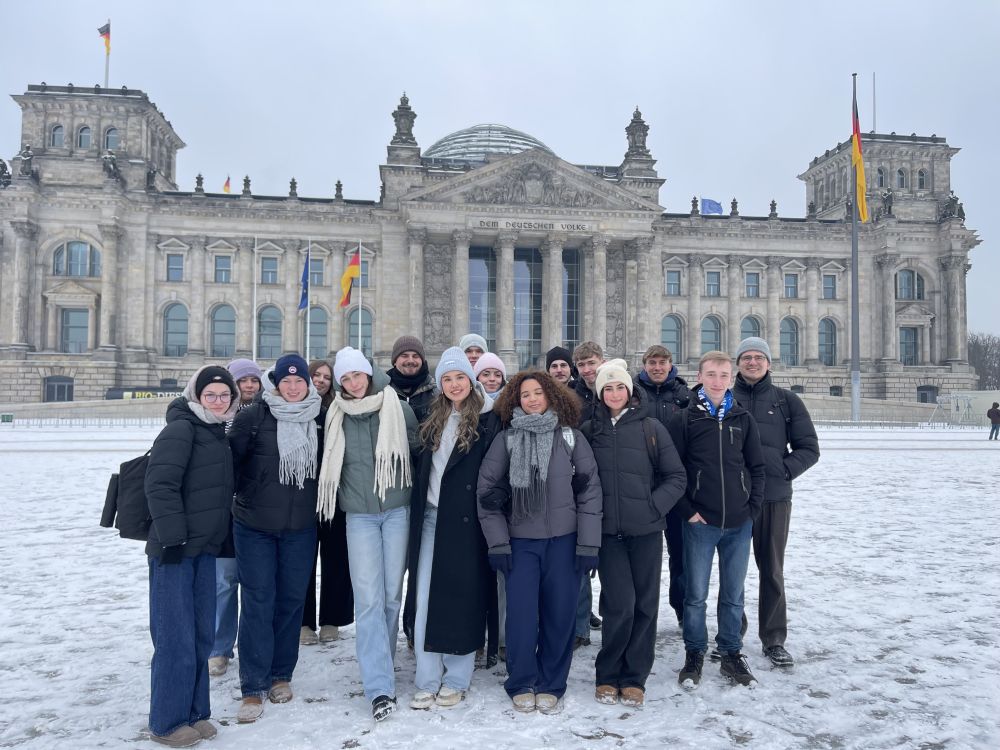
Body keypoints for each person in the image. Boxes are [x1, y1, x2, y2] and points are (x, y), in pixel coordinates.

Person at [477, 371, 602, 715]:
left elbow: (591, 492)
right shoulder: (507, 441)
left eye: (538, 393)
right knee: (519, 617)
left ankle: (552, 680)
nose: (531, 399)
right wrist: (498, 543)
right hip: (521, 544)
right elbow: (486, 494)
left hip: (564, 541)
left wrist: (589, 544)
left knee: (559, 615)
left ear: (551, 396)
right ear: (515, 401)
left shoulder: (571, 438)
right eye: (524, 395)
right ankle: (520, 680)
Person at [317, 347, 418, 722]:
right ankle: (379, 686)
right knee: (368, 599)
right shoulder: (336, 414)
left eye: (356, 376)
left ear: (368, 374)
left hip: (397, 511)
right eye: (345, 379)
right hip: (359, 515)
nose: (352, 383)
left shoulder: (397, 406)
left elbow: (418, 449)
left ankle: (383, 662)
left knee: (392, 595)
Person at [581, 360, 686, 708]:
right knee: (618, 604)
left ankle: (634, 677)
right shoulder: (589, 430)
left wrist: (652, 507)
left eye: (619, 387)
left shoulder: (651, 427)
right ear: (599, 394)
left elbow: (676, 477)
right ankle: (607, 674)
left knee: (644, 605)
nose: (614, 393)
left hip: (645, 531)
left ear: (630, 390)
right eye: (607, 388)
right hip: (608, 533)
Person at [144, 365, 238, 746]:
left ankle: (196, 713)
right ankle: (167, 721)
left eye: (224, 395)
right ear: (197, 396)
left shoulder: (216, 432)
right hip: (175, 552)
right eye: (210, 395)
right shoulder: (181, 429)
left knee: (200, 636)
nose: (218, 401)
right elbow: (160, 485)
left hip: (203, 550)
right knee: (175, 638)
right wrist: (173, 539)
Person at [228, 354, 323, 723]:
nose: (294, 387)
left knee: (290, 601)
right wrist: (245, 498)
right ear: (277, 383)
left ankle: (281, 674)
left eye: (300, 382)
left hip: (300, 528)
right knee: (257, 601)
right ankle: (253, 686)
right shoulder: (254, 415)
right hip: (254, 527)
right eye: (287, 381)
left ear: (308, 385)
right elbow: (231, 464)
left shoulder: (319, 417)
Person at [406, 347, 500, 709]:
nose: (455, 384)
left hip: (466, 522)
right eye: (447, 378)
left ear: (471, 380)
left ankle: (457, 676)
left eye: (460, 377)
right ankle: (427, 678)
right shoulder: (433, 417)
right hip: (431, 517)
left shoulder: (488, 420)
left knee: (462, 597)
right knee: (426, 597)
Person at [669, 351, 765, 689]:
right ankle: (694, 652)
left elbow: (757, 468)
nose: (718, 381)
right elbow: (673, 471)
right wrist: (686, 509)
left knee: (733, 595)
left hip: (739, 523)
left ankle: (730, 654)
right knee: (695, 595)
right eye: (711, 374)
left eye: (724, 375)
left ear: (731, 377)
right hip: (700, 522)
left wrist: (752, 508)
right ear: (700, 376)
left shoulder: (743, 417)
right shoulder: (685, 419)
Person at [732, 337, 819, 668]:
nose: (752, 362)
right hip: (733, 500)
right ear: (738, 362)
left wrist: (783, 471)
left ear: (769, 363)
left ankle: (774, 639)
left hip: (773, 498)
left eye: (759, 357)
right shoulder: (725, 397)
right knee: (733, 573)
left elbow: (809, 448)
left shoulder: (786, 401)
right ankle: (731, 635)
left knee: (771, 570)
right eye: (746, 357)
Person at [207, 358, 262, 679]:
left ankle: (254, 645)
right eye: (244, 380)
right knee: (224, 581)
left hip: (255, 510)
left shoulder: (266, 414)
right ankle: (219, 648)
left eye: (255, 380)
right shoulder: (217, 416)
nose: (250, 385)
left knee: (255, 583)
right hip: (223, 511)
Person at [633, 345, 690, 628]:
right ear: (644, 365)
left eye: (663, 362)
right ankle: (641, 615)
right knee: (643, 560)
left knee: (681, 555)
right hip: (641, 490)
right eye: (652, 362)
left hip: (677, 491)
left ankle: (681, 608)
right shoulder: (631, 394)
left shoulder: (685, 396)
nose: (657, 367)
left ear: (671, 365)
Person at [301, 360, 354, 646]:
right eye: (316, 375)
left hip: (335, 495)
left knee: (336, 560)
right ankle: (304, 622)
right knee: (303, 562)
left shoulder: (338, 409)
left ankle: (332, 620)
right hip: (302, 497)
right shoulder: (294, 409)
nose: (320, 380)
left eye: (326, 377)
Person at [571, 341, 605, 643]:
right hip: (582, 490)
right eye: (581, 365)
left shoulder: (620, 390)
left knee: (613, 567)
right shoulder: (571, 397)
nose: (587, 369)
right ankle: (580, 628)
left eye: (591, 362)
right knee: (581, 564)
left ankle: (615, 621)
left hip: (616, 487)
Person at [387, 335, 437, 424]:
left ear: (422, 361)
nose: (410, 360)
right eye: (404, 355)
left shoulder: (437, 393)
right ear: (395, 361)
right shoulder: (382, 391)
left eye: (415, 356)